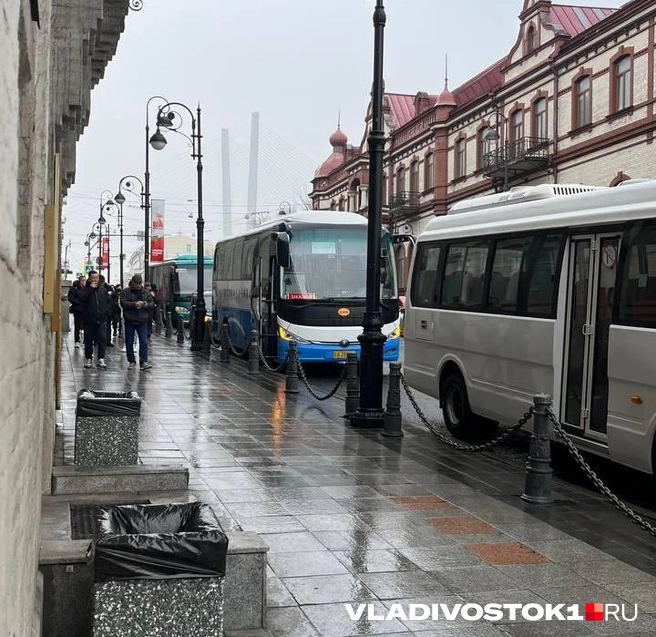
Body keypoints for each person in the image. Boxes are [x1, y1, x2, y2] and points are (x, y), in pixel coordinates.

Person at [121, 274, 155, 370]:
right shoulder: (126, 292)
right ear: (132, 283)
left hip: (142, 320)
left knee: (144, 341)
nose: (138, 285)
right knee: (129, 341)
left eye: (140, 283)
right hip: (130, 319)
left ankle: (143, 361)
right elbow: (123, 303)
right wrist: (135, 304)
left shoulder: (146, 292)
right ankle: (131, 361)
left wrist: (145, 305)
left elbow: (152, 303)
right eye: (137, 283)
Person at [78, 270, 110, 368]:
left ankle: (101, 358)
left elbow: (108, 301)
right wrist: (90, 289)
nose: (95, 280)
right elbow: (82, 298)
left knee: (102, 339)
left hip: (101, 319)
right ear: (89, 279)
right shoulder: (86, 289)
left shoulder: (103, 290)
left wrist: (106, 312)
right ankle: (88, 358)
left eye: (96, 278)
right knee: (88, 340)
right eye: (93, 278)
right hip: (89, 319)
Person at [68, 275, 86, 348]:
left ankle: (86, 340)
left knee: (86, 325)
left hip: (85, 310)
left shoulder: (87, 288)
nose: (83, 282)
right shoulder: (74, 288)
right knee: (77, 325)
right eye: (82, 280)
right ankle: (77, 341)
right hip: (77, 309)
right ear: (79, 281)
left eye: (84, 280)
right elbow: (71, 298)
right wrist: (78, 303)